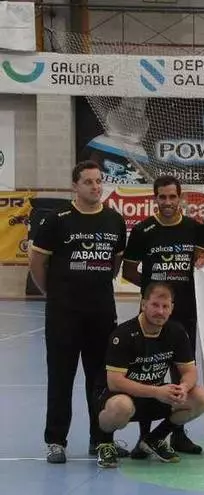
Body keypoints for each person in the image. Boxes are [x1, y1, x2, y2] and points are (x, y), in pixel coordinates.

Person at [29, 160, 129, 464]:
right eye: (88, 182)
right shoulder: (57, 220)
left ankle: (100, 440)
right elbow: (37, 264)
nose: (95, 187)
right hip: (64, 315)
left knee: (99, 380)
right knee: (61, 377)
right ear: (75, 185)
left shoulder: (114, 220)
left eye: (99, 181)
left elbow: (115, 264)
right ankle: (56, 441)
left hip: (101, 313)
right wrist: (53, 294)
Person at [121, 175, 202, 456]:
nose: (167, 202)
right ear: (155, 198)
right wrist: (154, 293)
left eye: (172, 197)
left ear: (181, 198)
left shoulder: (193, 229)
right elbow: (128, 271)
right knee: (149, 373)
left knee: (182, 374)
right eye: (162, 197)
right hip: (151, 317)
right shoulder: (143, 230)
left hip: (186, 313)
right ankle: (143, 438)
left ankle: (176, 434)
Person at [94, 282, 204, 468]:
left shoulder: (176, 332)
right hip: (119, 396)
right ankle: (105, 442)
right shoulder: (124, 334)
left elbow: (189, 371)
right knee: (120, 406)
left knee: (201, 397)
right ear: (143, 304)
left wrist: (183, 387)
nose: (160, 311)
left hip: (154, 396)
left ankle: (154, 439)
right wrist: (156, 392)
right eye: (155, 305)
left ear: (171, 308)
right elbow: (115, 382)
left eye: (165, 306)